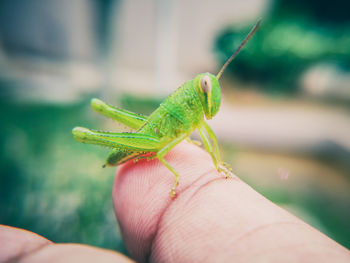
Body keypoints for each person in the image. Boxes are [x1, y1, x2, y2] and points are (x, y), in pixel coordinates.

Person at [1, 142, 350, 263]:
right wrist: (177, 177)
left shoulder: (198, 118)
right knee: (158, 152)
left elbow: (208, 135)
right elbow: (163, 148)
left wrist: (216, 164)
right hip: (148, 140)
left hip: (156, 146)